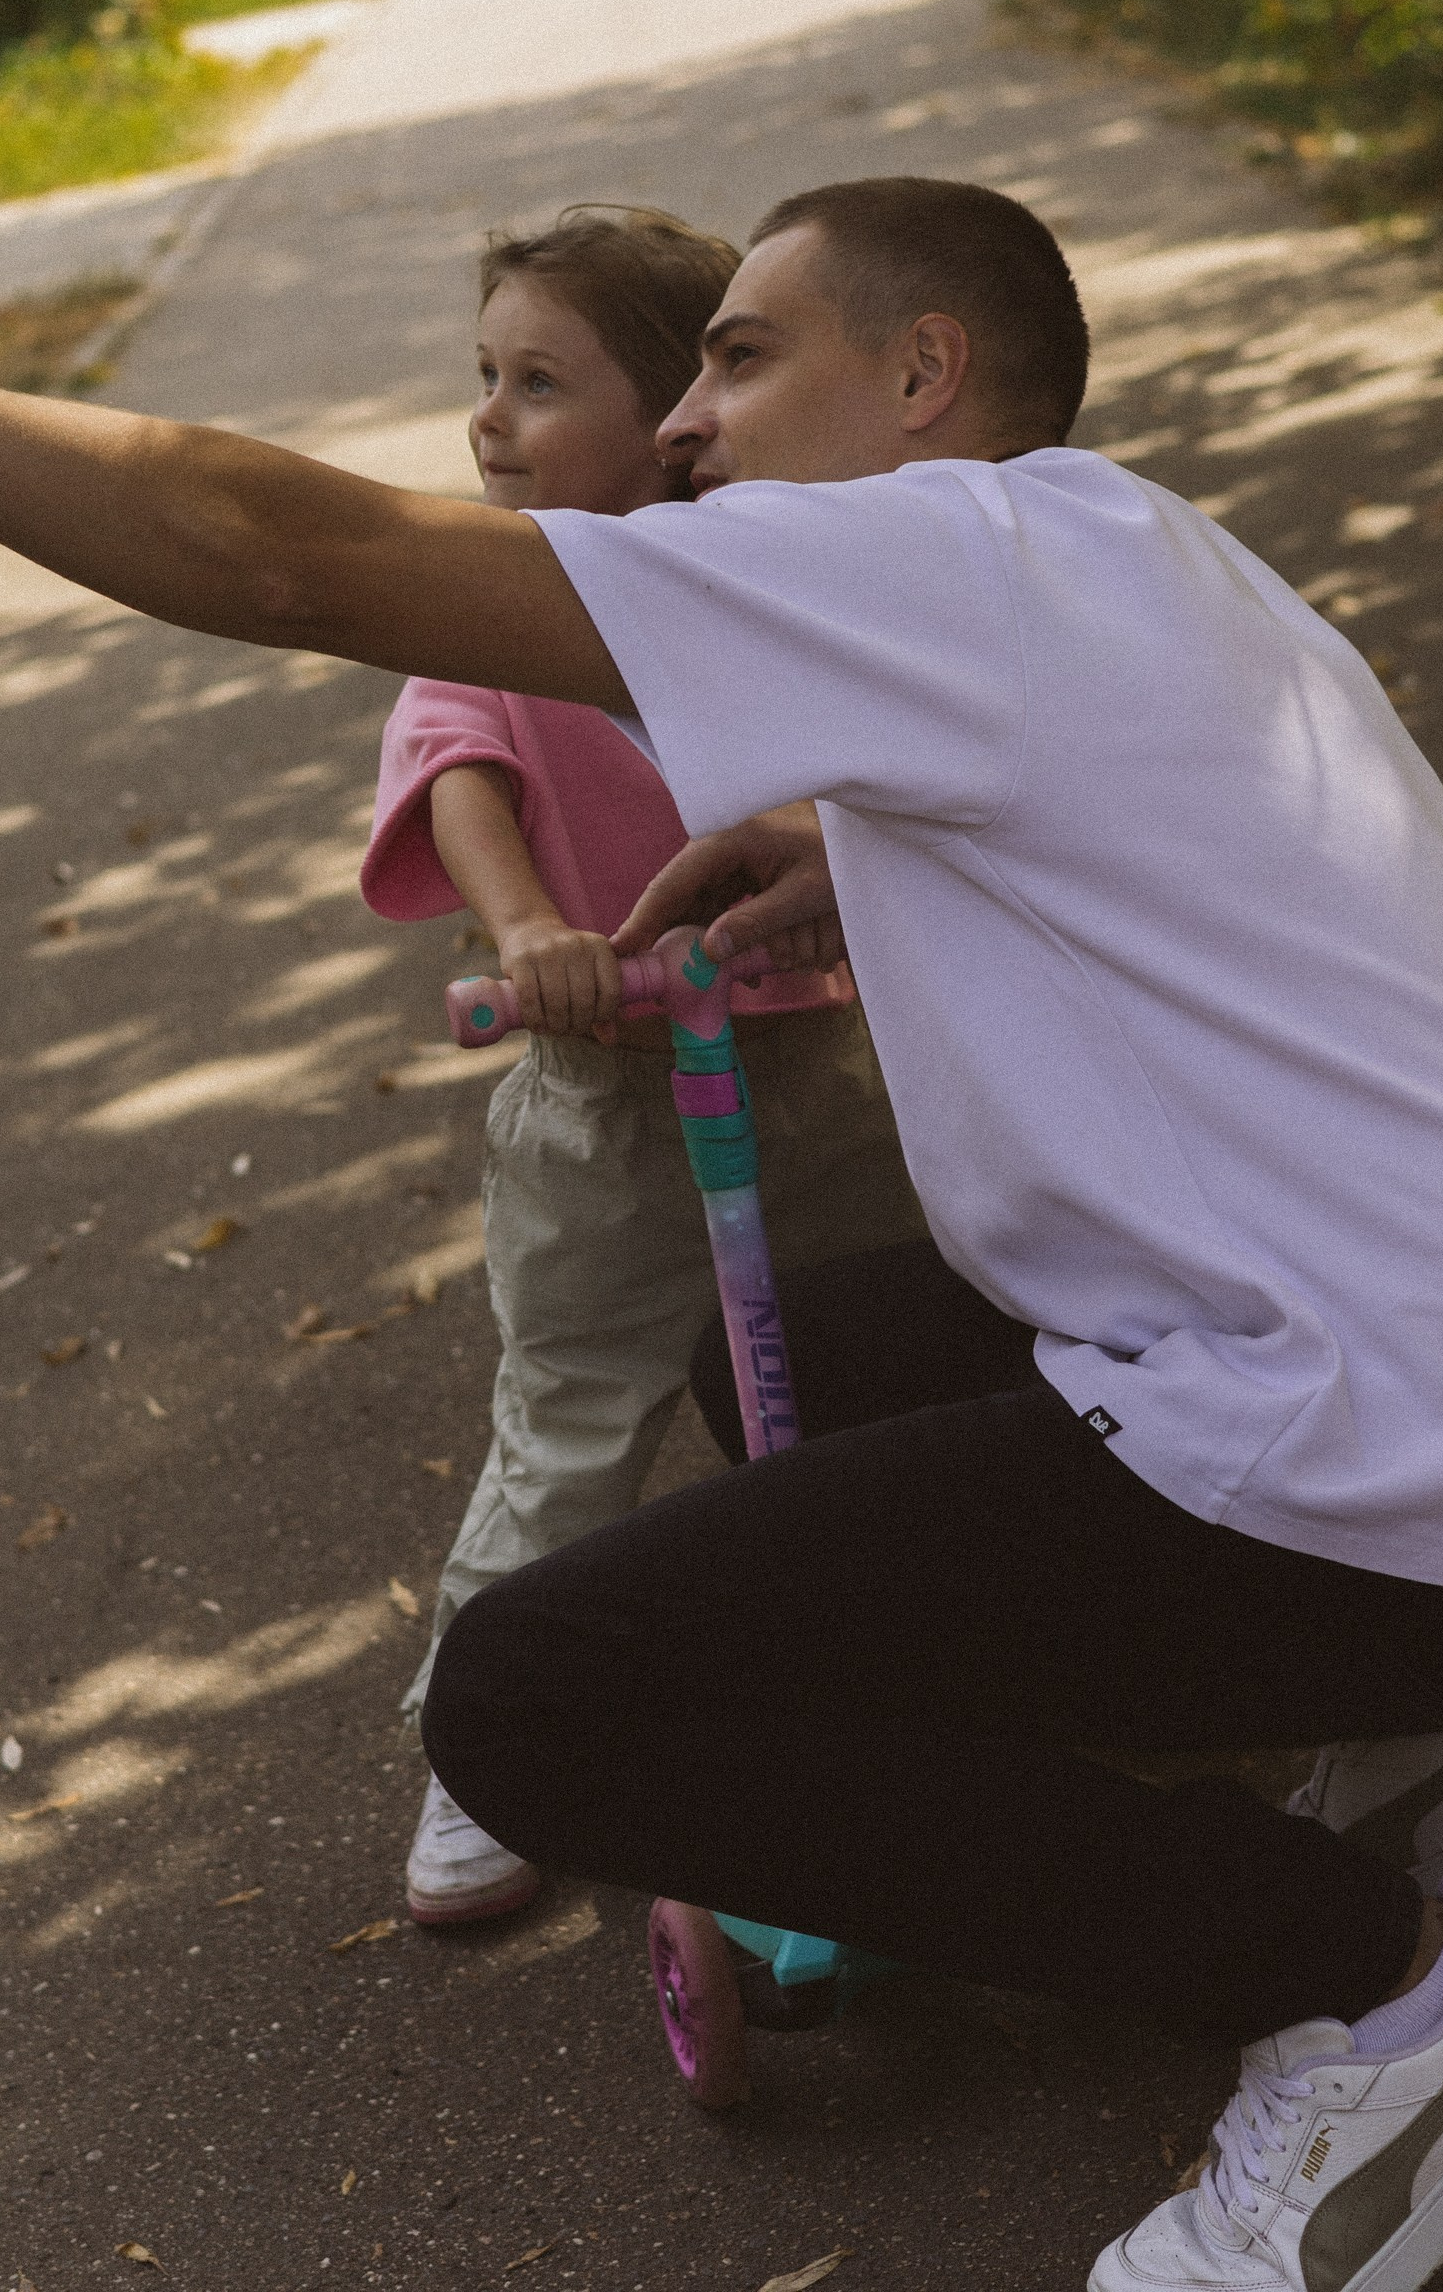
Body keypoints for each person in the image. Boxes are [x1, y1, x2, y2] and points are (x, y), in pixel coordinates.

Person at [0, 164, 1443, 2292]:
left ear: (922, 376)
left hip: (1378, 1457)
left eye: (738, 356)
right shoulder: (1126, 552)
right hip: (1422, 1372)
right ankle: (1401, 1723)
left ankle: (1367, 1990)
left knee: (536, 1705)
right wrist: (854, 853)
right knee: (786, 1355)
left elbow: (271, 547)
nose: (681, 420)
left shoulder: (937, 554)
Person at [361, 206, 921, 1925]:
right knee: (570, 1425)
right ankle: (482, 1745)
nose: (489, 419)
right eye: (486, 376)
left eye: (540, 383)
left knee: (882, 1395)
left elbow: (869, 749)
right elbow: (456, 756)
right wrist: (532, 927)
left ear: (676, 409)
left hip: (825, 1070)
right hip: (609, 1106)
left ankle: (924, 1678)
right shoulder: (497, 596)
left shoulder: (760, 581)